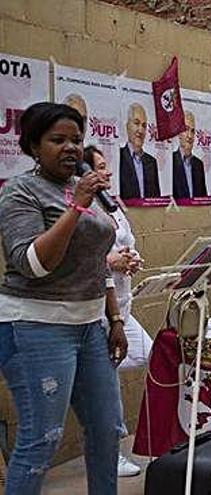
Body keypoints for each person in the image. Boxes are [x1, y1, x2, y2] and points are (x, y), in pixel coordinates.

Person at [0, 102, 127, 493]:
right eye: (58, 140)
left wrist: (115, 319)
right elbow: (33, 265)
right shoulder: (19, 192)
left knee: (107, 428)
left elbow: (96, 261)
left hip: (89, 325)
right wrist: (77, 208)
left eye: (76, 139)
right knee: (43, 438)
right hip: (35, 326)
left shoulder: (81, 190)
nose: (71, 147)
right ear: (34, 146)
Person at [84, 146, 154, 477]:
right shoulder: (81, 206)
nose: (108, 173)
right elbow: (85, 255)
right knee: (107, 385)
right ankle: (110, 451)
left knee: (154, 356)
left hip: (124, 306)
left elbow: (127, 242)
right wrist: (111, 261)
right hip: (98, 310)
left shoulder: (113, 203)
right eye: (100, 168)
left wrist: (132, 259)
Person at [119, 103, 160, 199]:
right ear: (127, 126)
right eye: (136, 123)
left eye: (144, 126)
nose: (140, 130)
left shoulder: (152, 162)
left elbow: (156, 198)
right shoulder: (119, 157)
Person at [172, 111, 207, 199]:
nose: (190, 136)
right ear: (179, 133)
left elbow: (203, 198)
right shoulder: (171, 161)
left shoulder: (198, 164)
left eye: (192, 131)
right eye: (186, 129)